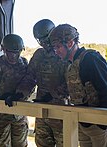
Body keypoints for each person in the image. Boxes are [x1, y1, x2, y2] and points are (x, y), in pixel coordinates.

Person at [49, 23, 107, 147]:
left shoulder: (90, 59)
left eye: (58, 47)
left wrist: (101, 124)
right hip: (84, 123)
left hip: (99, 125)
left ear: (70, 43)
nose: (56, 52)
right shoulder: (71, 64)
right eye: (54, 48)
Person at [5, 19, 69, 147]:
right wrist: (19, 94)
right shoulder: (39, 55)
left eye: (46, 39)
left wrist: (54, 95)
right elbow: (30, 78)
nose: (44, 43)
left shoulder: (64, 53)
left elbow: (71, 81)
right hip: (42, 111)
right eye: (40, 41)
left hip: (63, 111)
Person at [0, 34, 28, 147]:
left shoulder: (24, 63)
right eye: (10, 52)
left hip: (18, 114)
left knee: (20, 144)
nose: (14, 55)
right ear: (3, 49)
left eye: (17, 52)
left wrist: (19, 94)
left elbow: (29, 81)